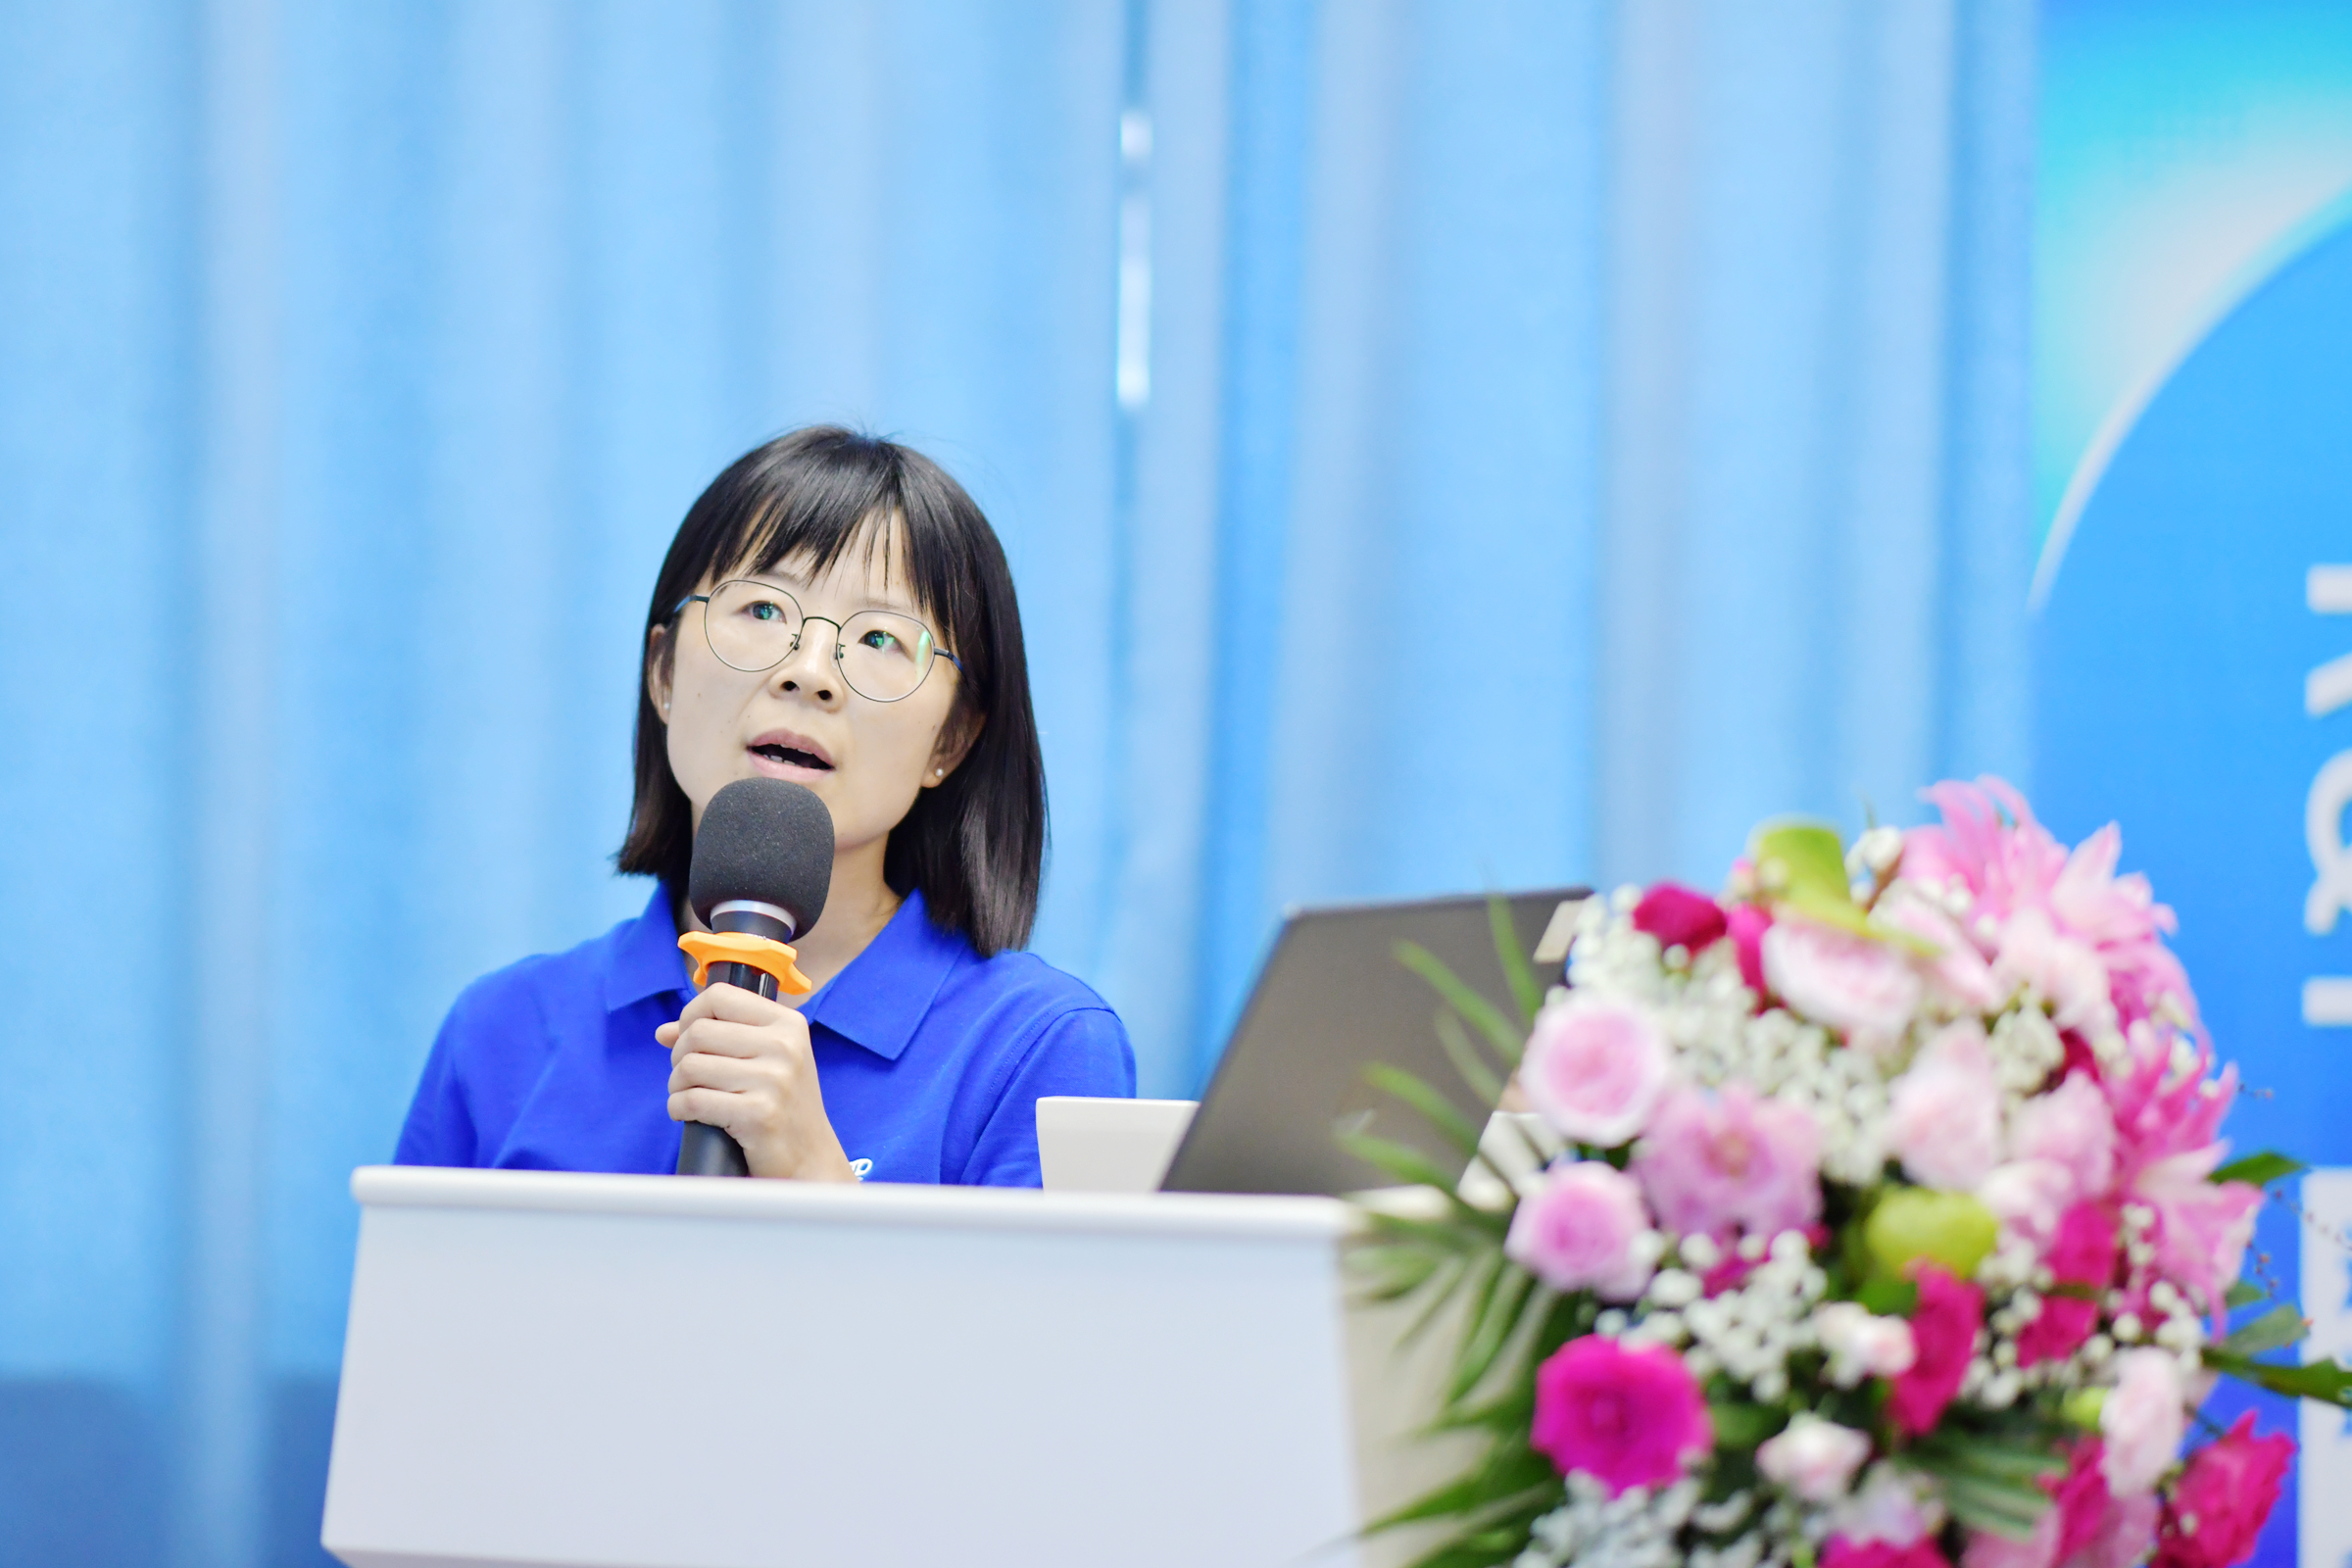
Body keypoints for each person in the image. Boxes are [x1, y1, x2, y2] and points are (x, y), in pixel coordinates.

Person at [394, 427, 1135, 1184]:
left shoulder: (1040, 1048)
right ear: (663, 673)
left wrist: (813, 1170)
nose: (809, 672)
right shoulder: (499, 1035)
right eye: (761, 610)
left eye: (881, 638)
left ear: (951, 738)